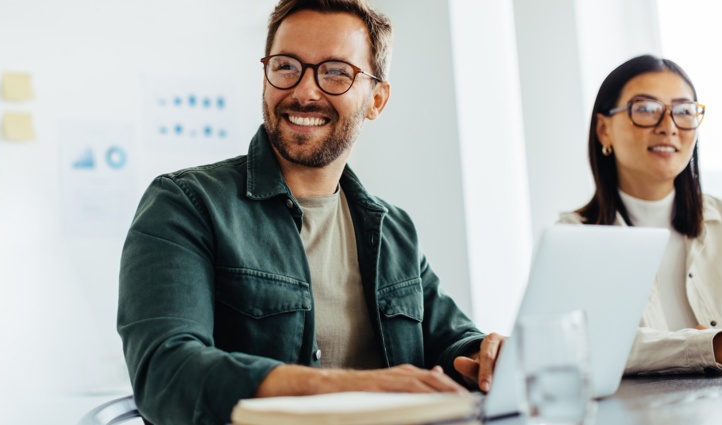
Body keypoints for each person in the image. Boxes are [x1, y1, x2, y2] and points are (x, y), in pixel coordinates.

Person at [117, 0, 504, 423]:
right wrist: (348, 386)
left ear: (376, 100)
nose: (304, 91)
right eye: (286, 66)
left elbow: (452, 341)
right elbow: (166, 374)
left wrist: (485, 354)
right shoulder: (185, 204)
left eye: (336, 72)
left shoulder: (393, 229)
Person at [559, 54, 722, 375]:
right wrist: (713, 345)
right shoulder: (572, 238)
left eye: (683, 111)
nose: (668, 127)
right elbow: (582, 346)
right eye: (646, 109)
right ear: (603, 129)